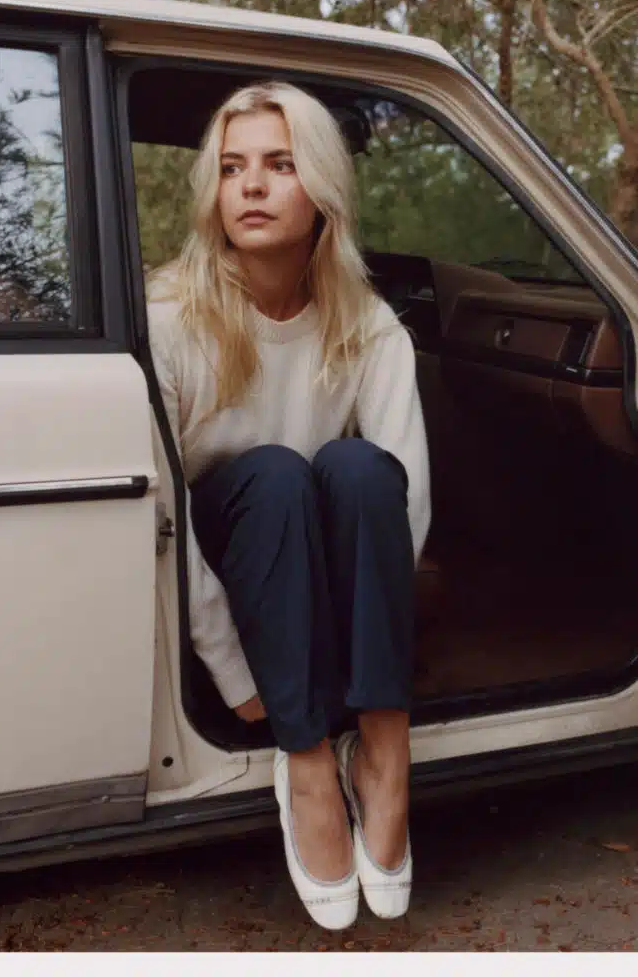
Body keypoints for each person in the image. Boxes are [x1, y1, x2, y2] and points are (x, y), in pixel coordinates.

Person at [146, 81, 430, 930]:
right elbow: (163, 522)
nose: (253, 186)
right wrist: (233, 670)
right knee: (271, 473)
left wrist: (371, 641)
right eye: (233, 168)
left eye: (280, 164)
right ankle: (306, 759)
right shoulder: (168, 319)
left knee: (361, 468)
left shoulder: (369, 325)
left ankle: (384, 751)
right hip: (229, 564)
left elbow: (406, 507)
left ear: (323, 187)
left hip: (322, 579)